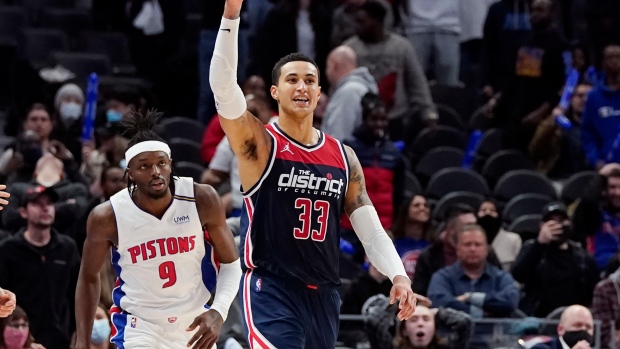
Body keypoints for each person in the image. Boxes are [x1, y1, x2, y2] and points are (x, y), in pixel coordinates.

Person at [210, 0, 418, 347]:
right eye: (292, 80)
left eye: (310, 80)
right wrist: (231, 14)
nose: (302, 87)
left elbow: (370, 230)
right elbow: (223, 89)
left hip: (323, 293)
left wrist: (398, 274)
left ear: (321, 92)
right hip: (271, 286)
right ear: (275, 92)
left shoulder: (343, 156)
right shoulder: (260, 143)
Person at [74, 110, 242, 349]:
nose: (155, 172)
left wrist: (219, 311)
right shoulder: (108, 216)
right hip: (140, 326)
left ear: (170, 164)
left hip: (193, 324)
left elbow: (231, 263)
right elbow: (88, 277)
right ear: (130, 173)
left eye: (161, 163)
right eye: (144, 166)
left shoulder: (201, 198)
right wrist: (82, 341)